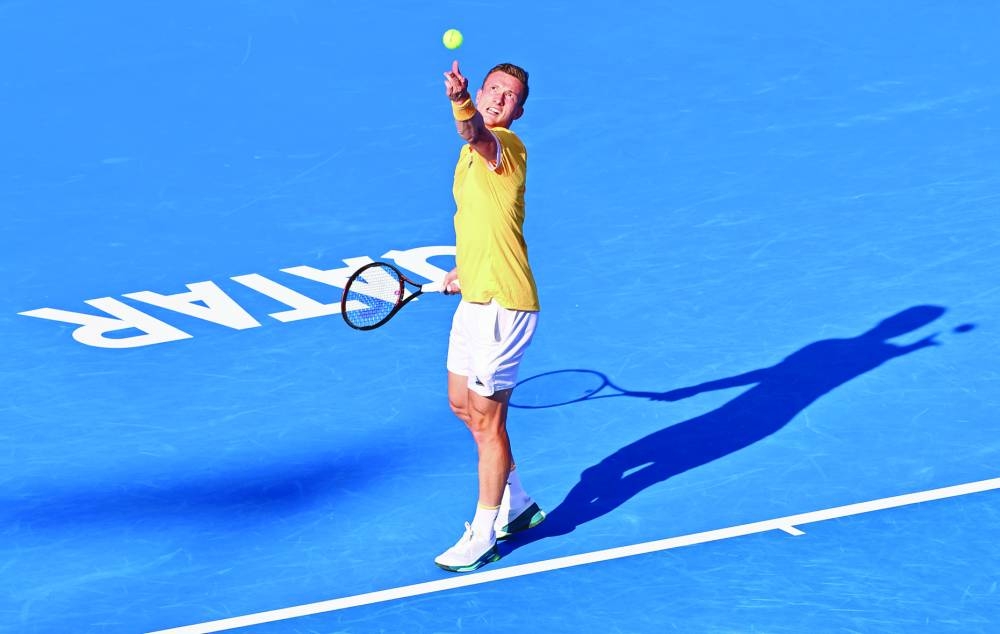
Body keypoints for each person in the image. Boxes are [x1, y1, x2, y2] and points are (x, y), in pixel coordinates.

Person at [433, 60, 545, 573]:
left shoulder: (505, 147)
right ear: (484, 90)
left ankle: (484, 534)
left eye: (510, 95)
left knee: (489, 418)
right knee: (462, 404)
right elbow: (486, 219)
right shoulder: (467, 159)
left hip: (505, 304)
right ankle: (517, 503)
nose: (500, 97)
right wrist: (464, 266)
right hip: (476, 295)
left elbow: (474, 130)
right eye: (493, 88)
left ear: (518, 111)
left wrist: (460, 102)